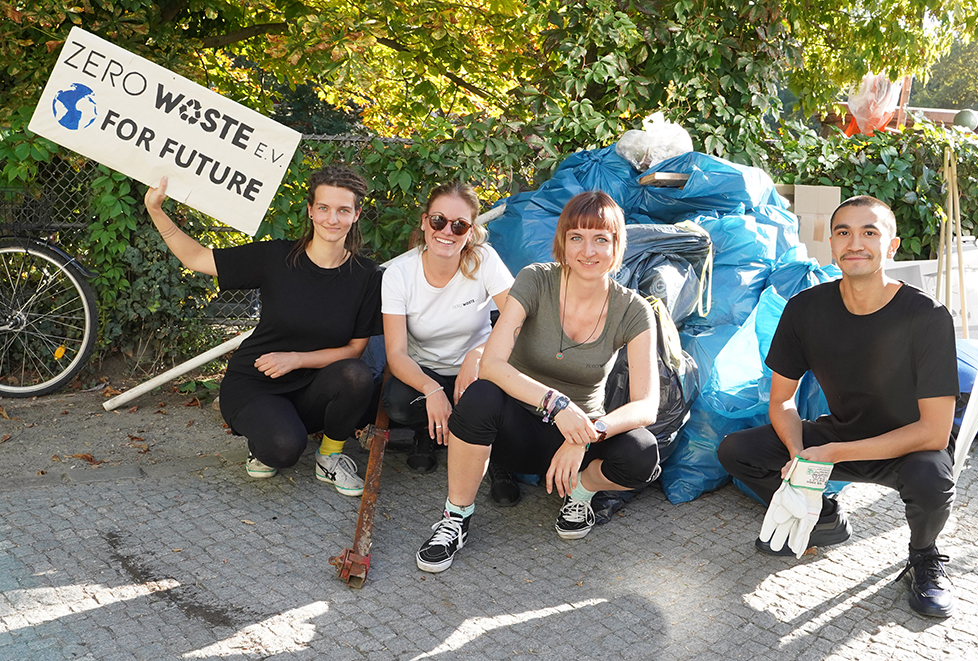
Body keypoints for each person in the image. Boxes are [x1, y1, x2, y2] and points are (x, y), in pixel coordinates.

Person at [718, 195, 959, 618]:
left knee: (931, 476)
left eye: (870, 232)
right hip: (841, 431)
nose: (855, 242)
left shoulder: (927, 316)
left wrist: (831, 455)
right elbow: (782, 400)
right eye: (844, 232)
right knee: (738, 450)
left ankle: (924, 557)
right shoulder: (805, 309)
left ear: (892, 245)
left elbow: (934, 431)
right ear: (831, 244)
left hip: (908, 444)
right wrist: (800, 460)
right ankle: (824, 517)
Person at [415, 190, 662, 573]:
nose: (588, 250)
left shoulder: (634, 309)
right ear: (562, 241)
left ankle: (580, 494)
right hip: (517, 429)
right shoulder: (536, 280)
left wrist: (586, 433)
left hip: (576, 437)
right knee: (480, 396)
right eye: (576, 237)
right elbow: (493, 364)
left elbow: (646, 405)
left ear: (617, 246)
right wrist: (556, 404)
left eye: (601, 239)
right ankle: (455, 517)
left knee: (641, 451)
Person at [143, 164, 381, 496]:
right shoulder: (276, 256)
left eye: (343, 210)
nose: (332, 219)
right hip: (257, 381)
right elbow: (197, 258)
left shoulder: (367, 276)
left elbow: (354, 349)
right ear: (311, 211)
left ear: (356, 215)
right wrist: (156, 210)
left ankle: (330, 457)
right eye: (324, 208)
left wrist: (296, 358)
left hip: (313, 388)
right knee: (282, 450)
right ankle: (265, 436)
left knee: (356, 374)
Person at [380, 182, 518, 502]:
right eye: (439, 221)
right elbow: (396, 353)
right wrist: (432, 389)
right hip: (425, 369)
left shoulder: (483, 260)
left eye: (459, 225)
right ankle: (427, 432)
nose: (448, 231)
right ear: (425, 222)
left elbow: (518, 320)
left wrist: (480, 354)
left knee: (499, 398)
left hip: (478, 370)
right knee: (397, 402)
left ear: (470, 232)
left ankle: (497, 457)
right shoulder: (399, 274)